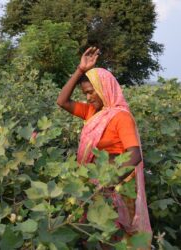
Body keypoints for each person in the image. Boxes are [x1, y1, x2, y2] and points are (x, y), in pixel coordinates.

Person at [56, 47, 152, 245]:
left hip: (118, 185)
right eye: (85, 93)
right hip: (96, 185)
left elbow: (135, 156)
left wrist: (109, 184)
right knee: (99, 235)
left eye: (91, 92)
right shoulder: (92, 112)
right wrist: (80, 70)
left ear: (104, 89)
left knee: (119, 236)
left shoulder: (121, 117)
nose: (88, 98)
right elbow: (62, 101)